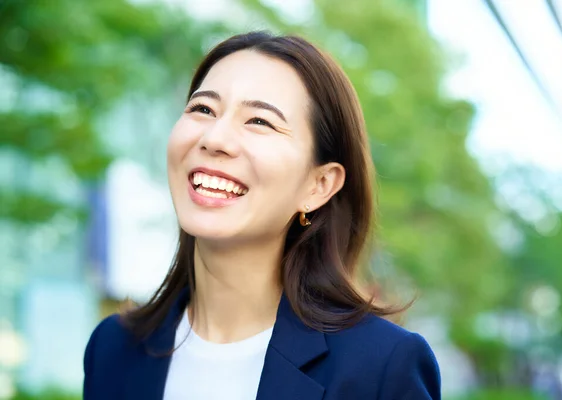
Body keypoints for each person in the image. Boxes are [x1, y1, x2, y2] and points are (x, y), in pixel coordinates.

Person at [83, 31, 441, 400]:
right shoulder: (112, 349)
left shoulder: (380, 366)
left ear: (318, 185)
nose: (215, 138)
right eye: (202, 109)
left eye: (259, 121)